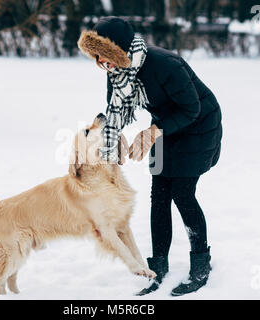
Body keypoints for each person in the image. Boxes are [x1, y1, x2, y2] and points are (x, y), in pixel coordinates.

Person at [77, 16, 222, 296]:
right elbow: (114, 110)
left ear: (121, 51)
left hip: (199, 124)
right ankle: (159, 267)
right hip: (164, 126)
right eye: (98, 58)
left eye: (107, 57)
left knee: (182, 192)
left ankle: (201, 266)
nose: (103, 64)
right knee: (159, 194)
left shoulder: (165, 64)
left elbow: (191, 108)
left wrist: (153, 131)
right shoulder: (118, 72)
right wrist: (114, 138)